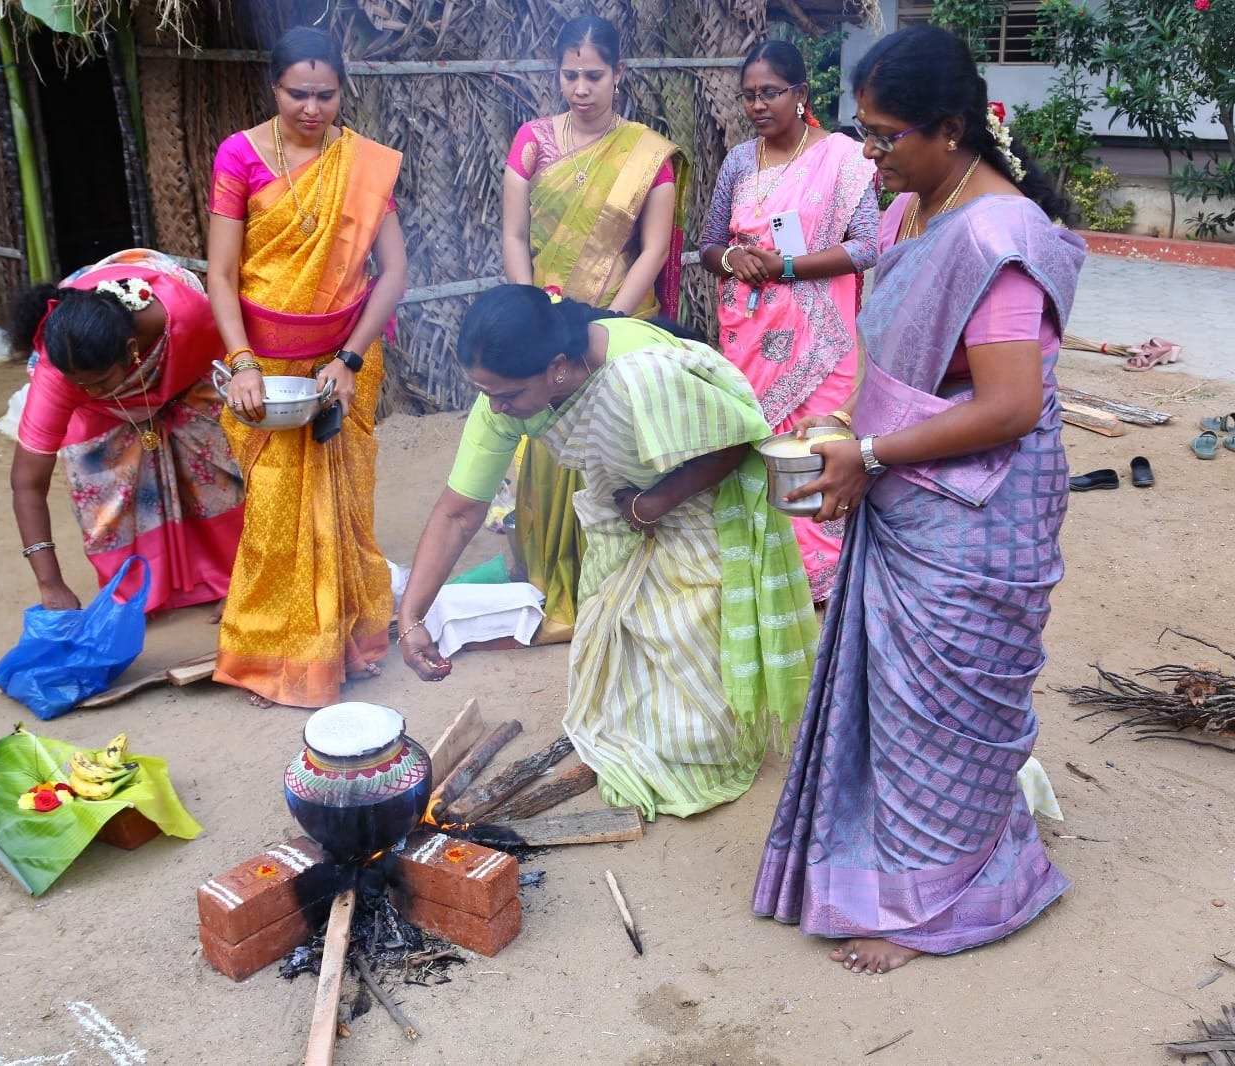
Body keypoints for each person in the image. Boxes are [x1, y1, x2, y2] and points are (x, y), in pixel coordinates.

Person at [752, 25, 1086, 974]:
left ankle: (945, 894)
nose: (868, 153)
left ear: (949, 130)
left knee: (946, 703)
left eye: (885, 136)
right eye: (862, 131)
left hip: (980, 509)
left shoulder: (996, 234)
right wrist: (853, 443)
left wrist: (866, 449)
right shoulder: (915, 212)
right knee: (900, 702)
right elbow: (892, 333)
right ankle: (905, 865)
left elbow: (1013, 405)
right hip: (909, 483)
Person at [399, 285, 817, 820]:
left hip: (696, 501)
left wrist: (656, 502)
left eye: (505, 395)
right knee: (626, 637)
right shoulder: (504, 400)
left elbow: (737, 438)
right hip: (622, 510)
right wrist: (412, 618)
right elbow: (459, 512)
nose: (495, 407)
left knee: (692, 654)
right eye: (486, 392)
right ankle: (645, 741)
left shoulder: (637, 371)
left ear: (555, 368)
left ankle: (703, 748)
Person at [206, 27, 407, 709]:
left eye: (326, 95)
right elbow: (223, 272)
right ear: (274, 88)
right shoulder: (240, 156)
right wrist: (239, 364)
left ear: (341, 92)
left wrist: (350, 359)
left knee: (343, 507)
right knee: (272, 513)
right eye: (299, 93)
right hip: (263, 364)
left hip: (343, 360)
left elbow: (394, 273)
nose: (313, 108)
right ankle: (270, 656)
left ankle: (341, 644)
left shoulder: (362, 164)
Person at [501, 14, 688, 644]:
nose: (580, 89)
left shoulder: (649, 155)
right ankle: (557, 576)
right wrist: (535, 310)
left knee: (615, 460)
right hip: (545, 318)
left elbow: (654, 250)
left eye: (594, 76)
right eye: (569, 75)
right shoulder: (531, 141)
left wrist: (602, 320)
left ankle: (622, 580)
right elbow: (514, 234)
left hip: (614, 326)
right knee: (547, 457)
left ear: (619, 74)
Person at [699, 40, 878, 602]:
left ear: (800, 94)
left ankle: (822, 589)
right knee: (752, 454)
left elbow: (868, 246)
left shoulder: (844, 157)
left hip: (820, 342)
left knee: (814, 453)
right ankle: (763, 579)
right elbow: (708, 245)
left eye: (769, 92)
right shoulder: (737, 161)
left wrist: (789, 266)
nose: (757, 105)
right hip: (748, 337)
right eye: (749, 95)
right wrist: (733, 259)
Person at [8, 249, 245, 615]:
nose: (90, 391)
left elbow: (232, 361)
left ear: (132, 350)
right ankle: (135, 593)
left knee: (215, 467)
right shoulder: (59, 375)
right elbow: (27, 483)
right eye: (80, 386)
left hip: (185, 371)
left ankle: (237, 576)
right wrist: (50, 585)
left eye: (100, 382)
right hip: (102, 409)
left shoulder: (189, 320)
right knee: (101, 487)